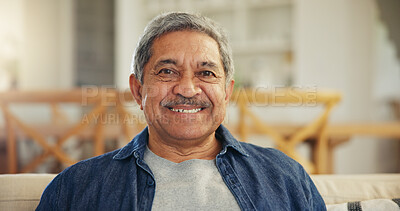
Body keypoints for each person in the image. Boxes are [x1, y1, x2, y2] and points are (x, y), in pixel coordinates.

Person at [37, 12, 326, 210]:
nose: (187, 89)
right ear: (138, 91)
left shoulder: (286, 178)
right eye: (167, 71)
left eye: (207, 73)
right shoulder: (75, 189)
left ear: (226, 92)